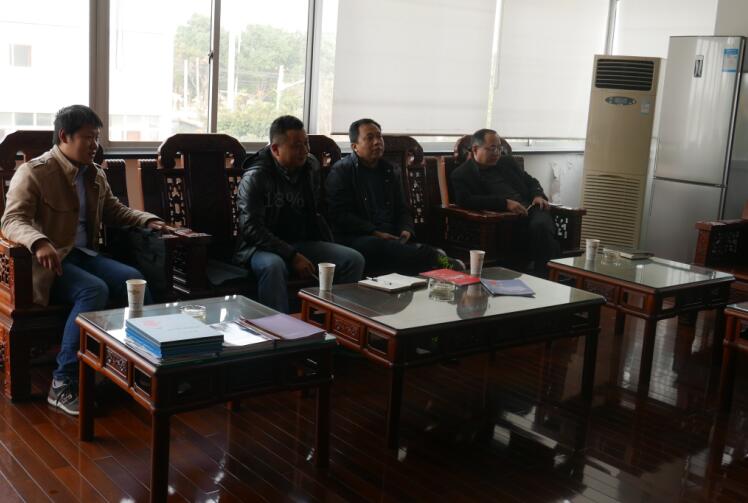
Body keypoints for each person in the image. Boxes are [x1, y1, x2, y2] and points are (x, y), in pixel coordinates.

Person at [1, 105, 164, 416]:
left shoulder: (94, 174)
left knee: (134, 280)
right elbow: (11, 220)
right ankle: (63, 382)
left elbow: (114, 210)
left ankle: (143, 368)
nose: (94, 145)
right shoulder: (34, 172)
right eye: (88, 138)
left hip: (83, 255)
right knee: (93, 289)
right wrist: (39, 241)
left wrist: (147, 220)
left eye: (97, 138)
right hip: (47, 265)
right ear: (64, 136)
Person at [233, 115, 364, 313]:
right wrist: (292, 256)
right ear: (275, 149)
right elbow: (252, 229)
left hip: (301, 243)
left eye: (306, 143)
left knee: (353, 259)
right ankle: (277, 327)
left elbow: (316, 211)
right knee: (274, 266)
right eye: (296, 146)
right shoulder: (256, 176)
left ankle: (338, 321)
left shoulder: (310, 166)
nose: (304, 151)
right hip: (259, 248)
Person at [326, 118, 456, 274]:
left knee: (399, 249)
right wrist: (374, 232)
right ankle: (441, 262)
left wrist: (406, 228)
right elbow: (339, 215)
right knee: (382, 246)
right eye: (369, 138)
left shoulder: (390, 170)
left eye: (379, 136)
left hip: (392, 237)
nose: (377, 142)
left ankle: (438, 262)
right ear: (355, 146)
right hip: (359, 237)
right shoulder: (342, 171)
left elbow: (403, 207)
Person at [450, 128, 560, 276]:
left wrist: (537, 195)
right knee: (538, 240)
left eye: (499, 148)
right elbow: (465, 200)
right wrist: (504, 203)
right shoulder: (462, 174)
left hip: (531, 209)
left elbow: (531, 182)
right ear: (475, 149)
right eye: (492, 148)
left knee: (541, 226)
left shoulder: (507, 162)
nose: (497, 153)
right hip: (502, 220)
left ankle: (543, 277)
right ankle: (545, 276)